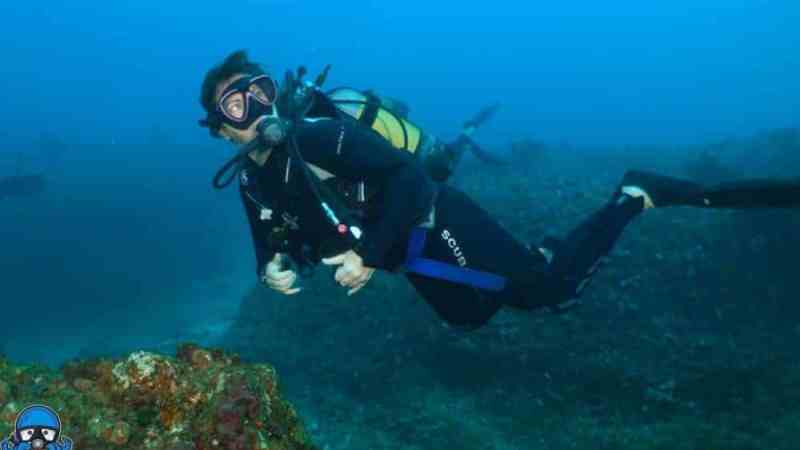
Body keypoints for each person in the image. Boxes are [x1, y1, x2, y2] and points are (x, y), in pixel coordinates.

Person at [198, 51, 800, 330]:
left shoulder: (321, 135)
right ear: (223, 131)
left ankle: (634, 195)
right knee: (470, 314)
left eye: (259, 89)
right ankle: (533, 252)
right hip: (408, 255)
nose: (255, 107)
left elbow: (408, 178)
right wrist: (269, 267)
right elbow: (268, 237)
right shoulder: (251, 179)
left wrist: (363, 253)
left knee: (551, 293)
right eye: (236, 103)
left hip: (436, 219)